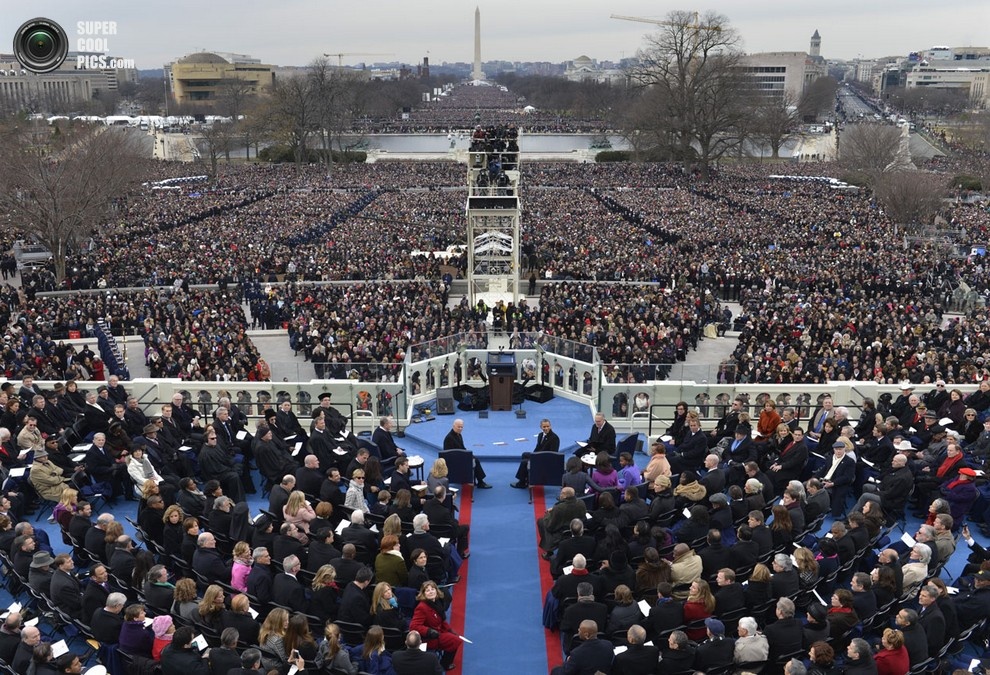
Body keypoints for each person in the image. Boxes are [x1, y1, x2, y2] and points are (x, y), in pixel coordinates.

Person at [409, 581, 460, 671]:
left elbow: (442, 620)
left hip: (438, 631)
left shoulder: (436, 602)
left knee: (454, 636)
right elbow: (414, 626)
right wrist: (429, 631)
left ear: (436, 591)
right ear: (423, 594)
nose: (431, 591)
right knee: (455, 641)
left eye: (433, 589)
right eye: (427, 590)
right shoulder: (422, 607)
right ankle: (445, 664)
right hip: (429, 638)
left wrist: (449, 629)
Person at [441, 419, 491, 488]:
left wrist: (469, 455)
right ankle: (480, 482)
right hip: (454, 460)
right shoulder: (449, 438)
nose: (460, 429)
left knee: (475, 459)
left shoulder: (458, 435)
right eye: (458, 427)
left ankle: (480, 480)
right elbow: (450, 453)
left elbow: (462, 448)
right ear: (453, 426)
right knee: (476, 461)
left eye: (462, 427)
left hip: (460, 456)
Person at [511, 418, 560, 489]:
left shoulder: (554, 438)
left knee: (525, 462)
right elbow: (537, 448)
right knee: (525, 454)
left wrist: (535, 458)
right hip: (538, 456)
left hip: (546, 460)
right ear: (541, 427)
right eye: (544, 427)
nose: (546, 428)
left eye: (548, 426)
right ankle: (525, 477)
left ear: (550, 426)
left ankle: (522, 483)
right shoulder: (540, 435)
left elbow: (553, 454)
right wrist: (533, 455)